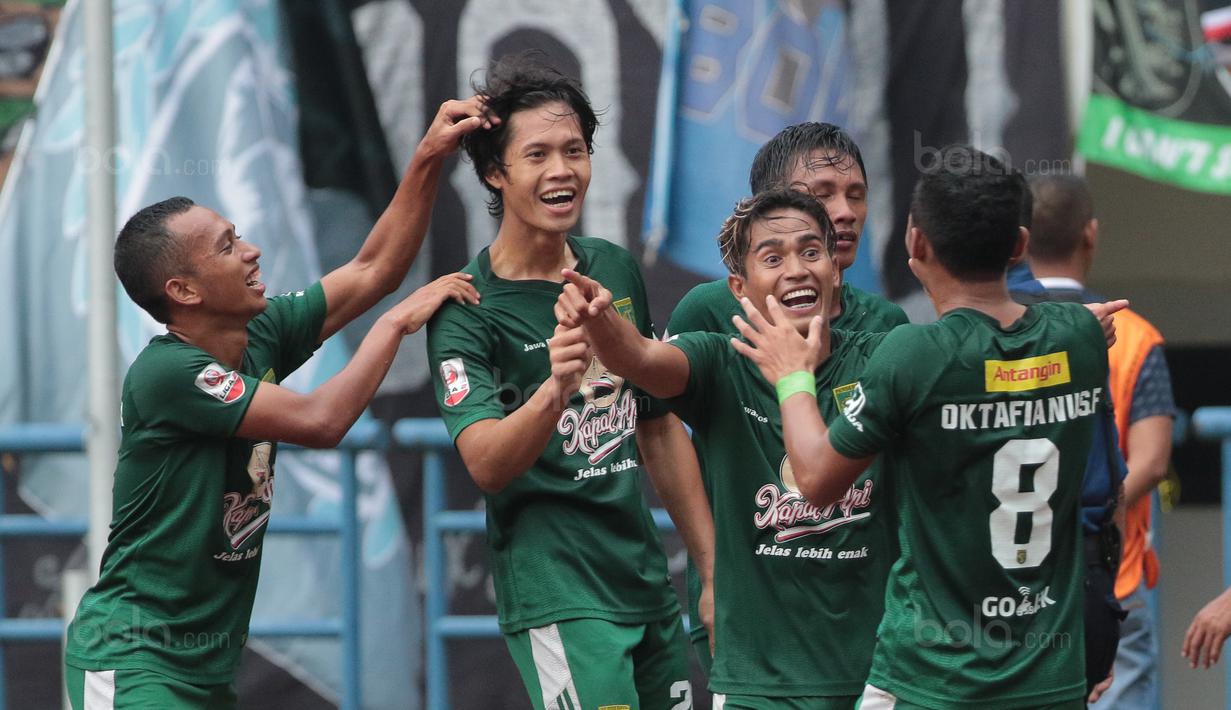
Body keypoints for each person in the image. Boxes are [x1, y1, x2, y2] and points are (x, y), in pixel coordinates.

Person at [63, 97, 491, 708]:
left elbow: (374, 268)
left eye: (237, 236)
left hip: (206, 670)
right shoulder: (167, 373)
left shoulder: (258, 333)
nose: (251, 251)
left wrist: (428, 156)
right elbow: (322, 421)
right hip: (132, 661)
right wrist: (395, 325)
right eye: (226, 247)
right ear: (183, 291)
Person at [727, 146, 1122, 708]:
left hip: (933, 679)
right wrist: (1077, 330)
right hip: (1049, 679)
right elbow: (1052, 334)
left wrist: (793, 376)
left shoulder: (913, 353)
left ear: (916, 244)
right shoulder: (1078, 339)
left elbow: (812, 480)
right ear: (1019, 246)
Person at [425, 56, 702, 709]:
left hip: (646, 584)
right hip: (558, 595)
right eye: (538, 154)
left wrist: (711, 569)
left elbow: (659, 426)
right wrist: (555, 388)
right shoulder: (465, 308)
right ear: (494, 173)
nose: (562, 170)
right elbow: (487, 464)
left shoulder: (613, 269)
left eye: (574, 151)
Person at [555, 187, 897, 708]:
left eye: (811, 252)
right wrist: (601, 321)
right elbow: (641, 360)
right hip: (754, 686)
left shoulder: (885, 358)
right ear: (740, 287)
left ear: (835, 269)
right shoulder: (719, 362)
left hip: (875, 679)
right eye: (772, 258)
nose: (797, 270)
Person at [666, 121, 908, 676]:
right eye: (822, 194)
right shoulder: (708, 312)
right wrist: (712, 571)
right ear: (771, 207)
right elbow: (659, 428)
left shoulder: (887, 325)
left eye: (856, 194)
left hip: (862, 618)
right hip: (752, 616)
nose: (844, 212)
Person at [1018, 175, 1175, 710]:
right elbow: (1152, 461)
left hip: (1009, 581)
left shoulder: (999, 328)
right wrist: (1095, 514)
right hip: (1112, 576)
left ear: (1021, 239)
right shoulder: (1135, 335)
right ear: (1091, 234)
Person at [1009, 173, 1129, 699]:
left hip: (989, 590)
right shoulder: (1119, 326)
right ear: (1091, 233)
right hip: (1083, 571)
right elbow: (1129, 472)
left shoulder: (957, 336)